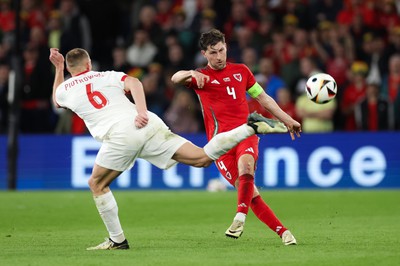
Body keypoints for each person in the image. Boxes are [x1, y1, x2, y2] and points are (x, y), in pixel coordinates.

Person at [48, 47, 288, 250]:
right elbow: (134, 82)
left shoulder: (66, 88)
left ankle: (117, 240)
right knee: (202, 158)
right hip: (148, 122)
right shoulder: (105, 75)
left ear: (70, 69)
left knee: (97, 184)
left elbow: (57, 101)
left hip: (120, 133)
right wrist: (141, 111)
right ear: (89, 63)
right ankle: (249, 128)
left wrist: (58, 70)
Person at [171, 29, 301, 245]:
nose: (219, 56)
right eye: (213, 53)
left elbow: (264, 98)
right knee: (251, 193)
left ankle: (239, 217)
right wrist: (191, 73)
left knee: (246, 167)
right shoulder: (200, 78)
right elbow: (174, 78)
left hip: (246, 132)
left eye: (222, 50)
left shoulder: (242, 71)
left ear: (226, 46)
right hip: (220, 144)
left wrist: (288, 119)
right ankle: (284, 232)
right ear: (204, 54)